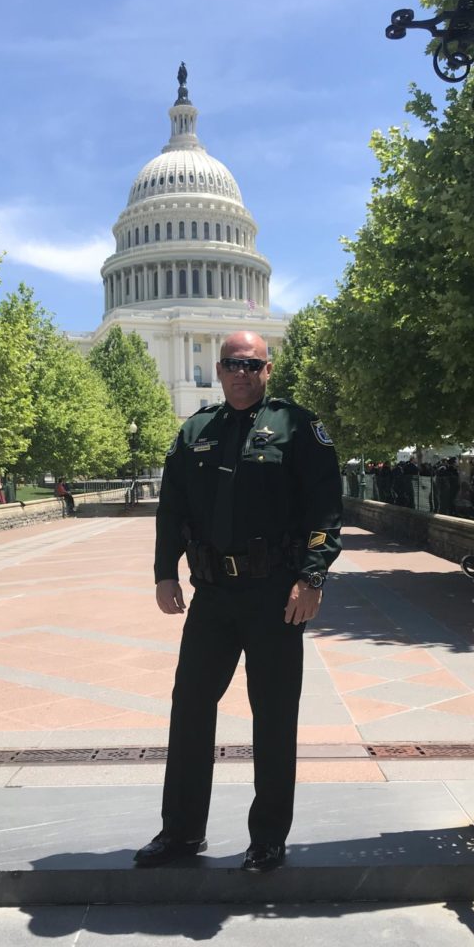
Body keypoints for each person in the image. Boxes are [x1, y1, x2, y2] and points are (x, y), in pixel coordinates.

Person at [134, 330, 343, 874]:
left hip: (276, 594)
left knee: (273, 715)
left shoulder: (297, 427)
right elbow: (171, 508)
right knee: (190, 708)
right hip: (213, 596)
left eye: (252, 364)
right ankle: (181, 832)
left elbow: (325, 509)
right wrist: (165, 573)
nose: (241, 373)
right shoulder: (196, 429)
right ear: (219, 371)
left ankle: (268, 839)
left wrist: (312, 578)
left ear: (267, 369)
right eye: (232, 364)